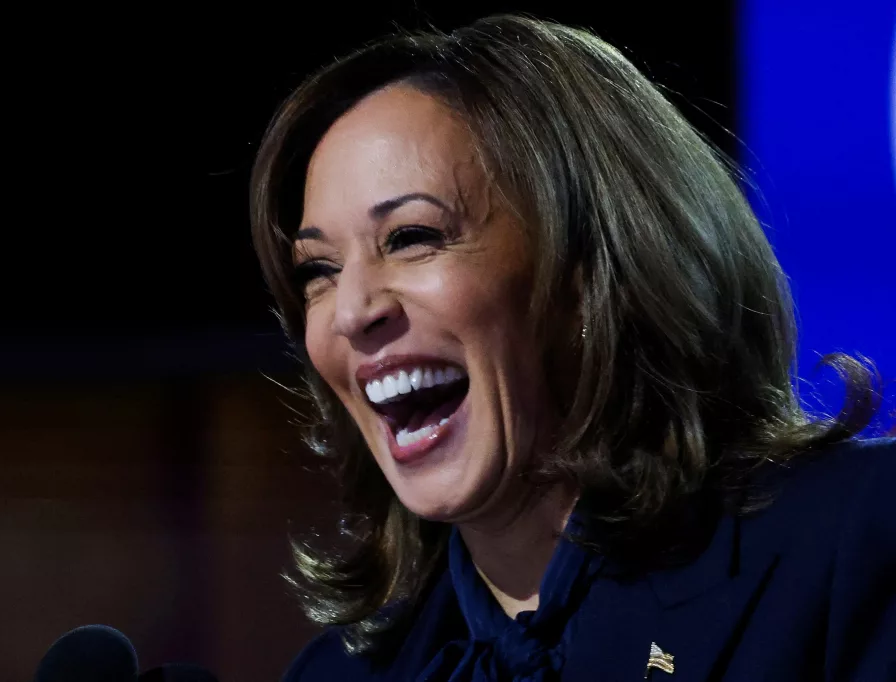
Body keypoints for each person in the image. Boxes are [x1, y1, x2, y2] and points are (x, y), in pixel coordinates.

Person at [249, 15, 895, 681]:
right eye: (318, 272)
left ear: (593, 267)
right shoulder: (345, 673)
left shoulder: (861, 541)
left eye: (412, 237)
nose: (352, 311)